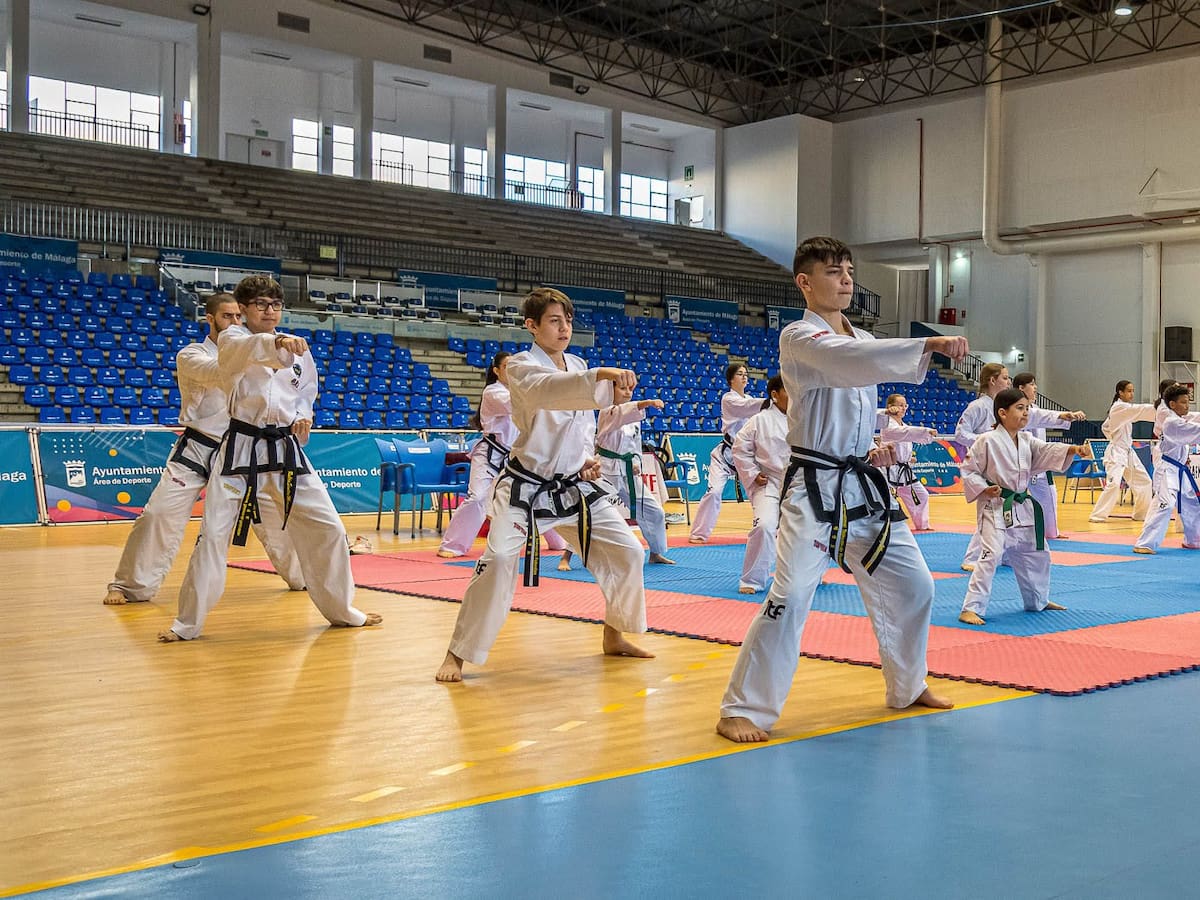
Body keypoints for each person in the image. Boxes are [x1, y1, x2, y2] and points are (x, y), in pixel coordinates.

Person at [716, 237, 968, 743]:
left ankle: (907, 683)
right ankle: (741, 708)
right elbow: (851, 360)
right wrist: (925, 345)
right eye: (834, 271)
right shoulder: (799, 337)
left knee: (916, 584)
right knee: (789, 596)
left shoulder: (860, 339)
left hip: (862, 485)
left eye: (850, 269)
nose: (847, 278)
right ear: (804, 282)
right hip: (813, 488)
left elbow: (857, 380)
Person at [436, 288, 653, 682]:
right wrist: (601, 375)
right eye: (554, 320)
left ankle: (614, 635)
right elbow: (552, 392)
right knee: (499, 560)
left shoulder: (578, 362)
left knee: (628, 553)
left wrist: (586, 459)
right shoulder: (520, 367)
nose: (564, 327)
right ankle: (458, 653)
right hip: (525, 487)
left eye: (568, 320)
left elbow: (582, 424)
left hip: (572, 487)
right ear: (532, 326)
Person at [159, 276, 381, 641]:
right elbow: (251, 349)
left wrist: (303, 413)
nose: (270, 311)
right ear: (243, 310)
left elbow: (306, 388)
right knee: (213, 535)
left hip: (284, 449)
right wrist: (277, 341)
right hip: (241, 449)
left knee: (329, 527)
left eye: (275, 305)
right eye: (260, 304)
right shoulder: (233, 339)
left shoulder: (299, 349)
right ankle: (186, 624)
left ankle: (344, 610)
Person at [103, 293, 304, 605]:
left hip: (245, 452)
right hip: (200, 448)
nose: (235, 323)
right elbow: (220, 372)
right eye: (227, 317)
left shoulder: (259, 353)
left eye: (239, 317)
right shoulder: (192, 355)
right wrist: (260, 350)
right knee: (158, 514)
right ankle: (130, 585)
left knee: (275, 520)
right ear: (209, 319)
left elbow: (291, 393)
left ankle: (304, 578)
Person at [957, 389, 1086, 626]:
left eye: (1027, 408)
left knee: (1037, 552)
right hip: (995, 506)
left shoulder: (1026, 440)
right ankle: (971, 607)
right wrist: (984, 488)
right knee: (991, 555)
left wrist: (1072, 449)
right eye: (1020, 408)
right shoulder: (986, 440)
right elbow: (968, 470)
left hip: (1021, 506)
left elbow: (1045, 451)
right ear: (1002, 413)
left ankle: (1038, 600)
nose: (1025, 413)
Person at [437, 351, 567, 559]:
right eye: (507, 367)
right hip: (491, 454)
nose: (514, 371)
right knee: (478, 497)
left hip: (517, 456)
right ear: (497, 371)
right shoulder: (493, 392)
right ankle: (453, 545)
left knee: (539, 496)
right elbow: (519, 403)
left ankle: (558, 541)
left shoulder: (523, 391)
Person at [594, 382, 674, 566]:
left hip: (627, 470)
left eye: (630, 389)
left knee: (655, 511)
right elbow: (622, 413)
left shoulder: (634, 419)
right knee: (592, 508)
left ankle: (656, 552)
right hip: (605, 470)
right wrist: (646, 402)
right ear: (611, 390)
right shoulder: (607, 411)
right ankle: (567, 555)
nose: (628, 392)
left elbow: (635, 444)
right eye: (623, 388)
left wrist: (637, 461)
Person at [688, 363, 762, 543]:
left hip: (746, 458)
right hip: (725, 456)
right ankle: (699, 533)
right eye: (740, 374)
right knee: (714, 492)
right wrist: (772, 402)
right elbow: (747, 407)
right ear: (731, 379)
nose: (744, 377)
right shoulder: (729, 399)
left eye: (746, 374)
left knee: (760, 494)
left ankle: (766, 529)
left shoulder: (751, 400)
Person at [1011, 373, 1086, 541]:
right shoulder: (1014, 409)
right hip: (1017, 461)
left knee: (1049, 496)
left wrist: (1065, 416)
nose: (1035, 387)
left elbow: (1041, 417)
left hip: (1037, 460)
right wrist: (1063, 416)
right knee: (1014, 501)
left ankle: (1050, 532)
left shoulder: (1034, 409)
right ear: (1021, 388)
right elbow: (1040, 417)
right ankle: (1014, 536)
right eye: (1031, 384)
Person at [733, 375, 789, 593]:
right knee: (765, 525)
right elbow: (740, 448)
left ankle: (806, 575)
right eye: (788, 390)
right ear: (774, 395)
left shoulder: (804, 418)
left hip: (799, 484)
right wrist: (752, 472)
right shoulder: (760, 420)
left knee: (806, 531)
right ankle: (752, 580)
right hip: (769, 481)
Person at [954, 362, 1011, 570]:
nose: (1008, 381)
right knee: (988, 511)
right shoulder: (977, 406)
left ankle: (1003, 553)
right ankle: (971, 557)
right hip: (981, 465)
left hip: (999, 464)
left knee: (1006, 510)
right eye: (1004, 377)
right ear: (992, 380)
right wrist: (985, 439)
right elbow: (960, 434)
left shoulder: (1001, 407)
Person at [1133, 384, 1200, 554]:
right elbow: (1195, 430)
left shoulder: (1178, 419)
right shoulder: (1172, 422)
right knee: (1164, 503)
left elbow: (1191, 426)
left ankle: (1193, 540)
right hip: (1167, 469)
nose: (1187, 406)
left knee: (1191, 503)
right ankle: (1145, 543)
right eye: (1183, 402)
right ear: (1172, 404)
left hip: (1179, 469)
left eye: (1188, 403)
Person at [1088, 380, 1156, 523]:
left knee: (1145, 481)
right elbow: (1139, 410)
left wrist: (1112, 434)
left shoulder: (1123, 409)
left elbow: (1105, 426)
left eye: (1133, 391)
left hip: (1128, 452)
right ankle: (1097, 515)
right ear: (1120, 392)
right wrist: (1157, 407)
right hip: (1116, 452)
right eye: (1129, 391)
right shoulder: (1118, 407)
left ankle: (1141, 514)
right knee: (1113, 484)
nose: (1132, 394)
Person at [879, 393, 937, 532]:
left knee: (922, 494)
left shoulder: (903, 425)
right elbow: (905, 433)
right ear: (890, 407)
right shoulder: (889, 426)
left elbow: (908, 439)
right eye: (900, 405)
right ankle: (884, 528)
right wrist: (926, 431)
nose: (904, 408)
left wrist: (908, 459)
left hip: (904, 470)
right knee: (885, 499)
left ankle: (922, 525)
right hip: (888, 470)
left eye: (905, 405)